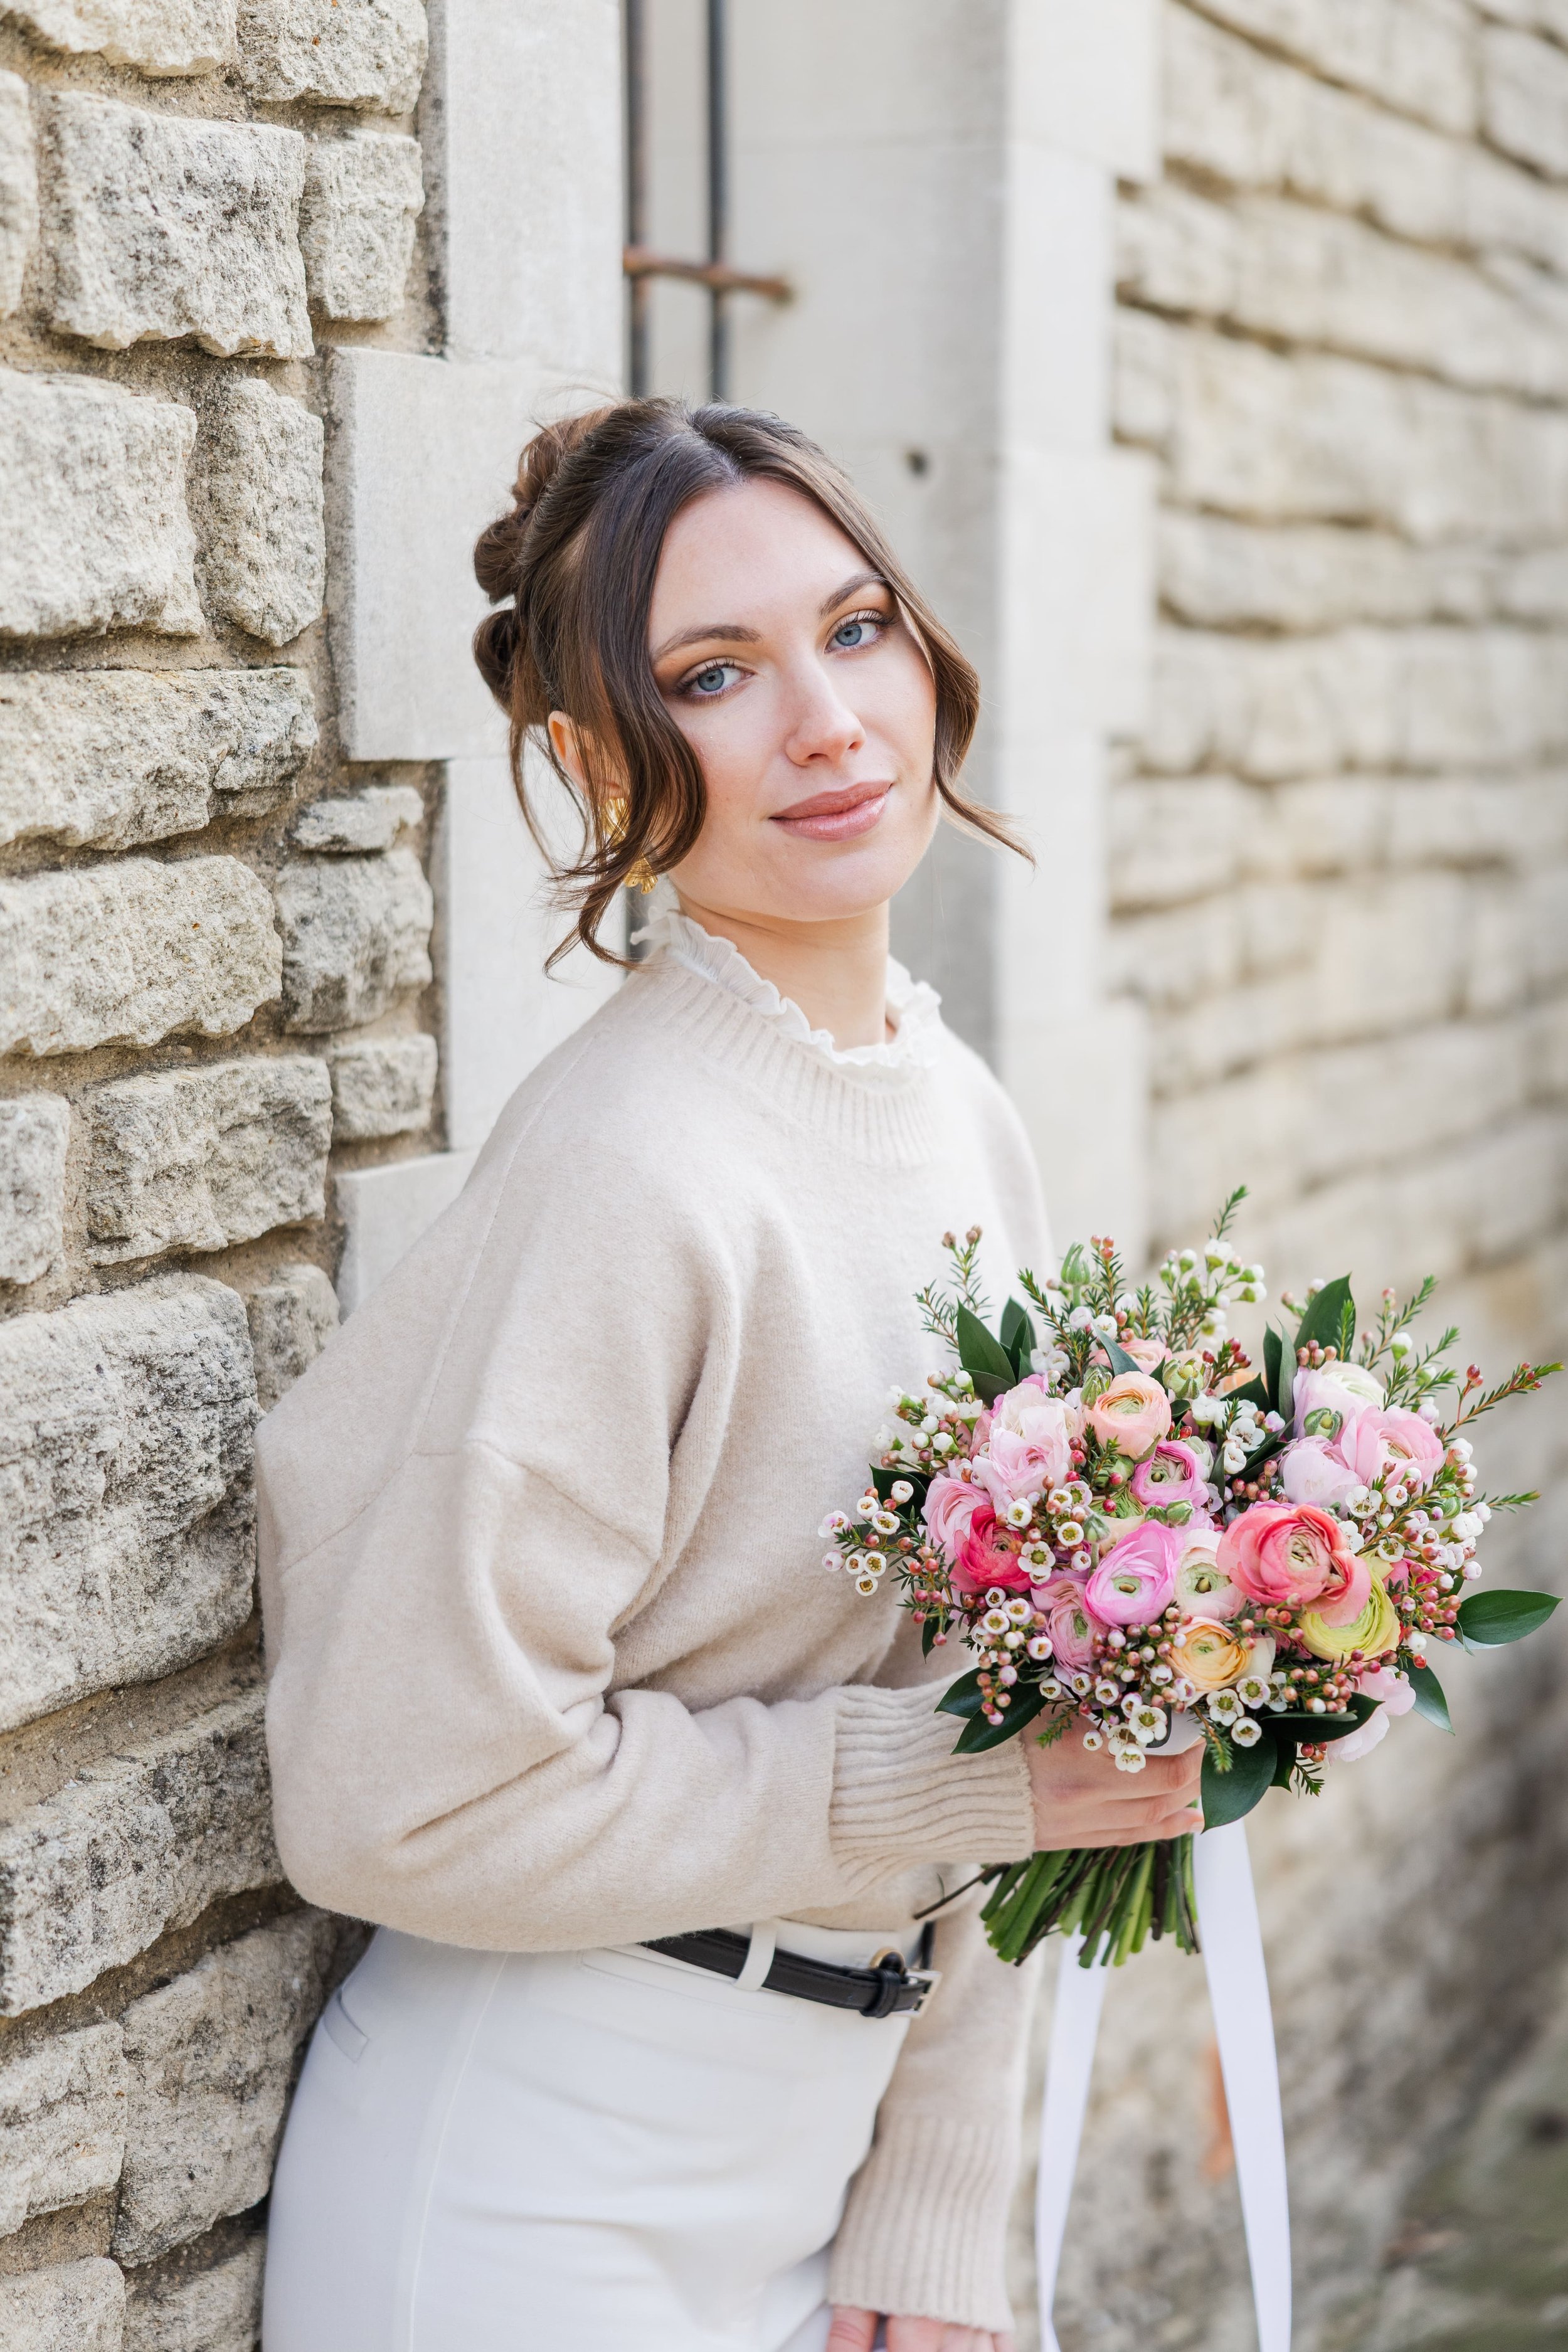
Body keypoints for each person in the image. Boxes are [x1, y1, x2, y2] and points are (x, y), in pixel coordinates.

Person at [256, 399, 1204, 2352]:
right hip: (539, 2175)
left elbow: (989, 1690)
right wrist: (965, 1784)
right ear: (598, 756)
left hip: (821, 2141)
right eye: (715, 675)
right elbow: (399, 1805)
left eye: (854, 631)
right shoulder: (626, 1168)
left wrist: (935, 2201)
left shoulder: (954, 1115)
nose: (830, 722)